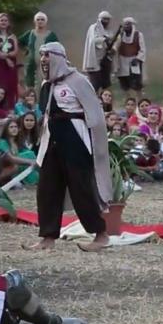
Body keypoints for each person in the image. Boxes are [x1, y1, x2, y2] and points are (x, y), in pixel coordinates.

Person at [27, 42, 113, 252]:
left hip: (74, 139)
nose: (44, 61)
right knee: (47, 188)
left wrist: (96, 146)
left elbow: (95, 115)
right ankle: (47, 236)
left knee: (81, 187)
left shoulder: (79, 81)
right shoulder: (47, 85)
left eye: (47, 56)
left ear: (57, 56)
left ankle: (100, 234)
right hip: (52, 139)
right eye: (41, 56)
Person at [18, 11, 59, 89]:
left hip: (46, 65)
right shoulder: (30, 34)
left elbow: (58, 48)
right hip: (31, 65)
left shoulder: (51, 35)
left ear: (46, 22)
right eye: (38, 19)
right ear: (35, 21)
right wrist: (25, 51)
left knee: (44, 85)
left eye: (42, 19)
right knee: (30, 86)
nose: (40, 21)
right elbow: (19, 42)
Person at [0, 13, 19, 110]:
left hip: (10, 66)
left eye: (5, 20)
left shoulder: (12, 36)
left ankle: (9, 108)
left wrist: (8, 56)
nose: (3, 22)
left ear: (9, 23)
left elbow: (15, 51)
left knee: (10, 86)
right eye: (1, 20)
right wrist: (6, 59)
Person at [0, 118, 38, 187]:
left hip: (19, 169)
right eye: (11, 127)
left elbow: (30, 154)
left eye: (16, 127)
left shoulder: (19, 143)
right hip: (8, 171)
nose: (14, 129)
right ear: (6, 129)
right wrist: (31, 161)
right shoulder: (2, 142)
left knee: (30, 153)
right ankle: (33, 182)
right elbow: (11, 158)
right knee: (28, 155)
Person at [113, 17, 146, 99]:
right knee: (124, 84)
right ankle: (128, 102)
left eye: (128, 24)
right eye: (125, 24)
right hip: (122, 62)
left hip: (134, 62)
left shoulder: (138, 35)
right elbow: (115, 47)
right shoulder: (120, 35)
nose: (127, 26)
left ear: (132, 25)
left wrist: (138, 59)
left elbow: (142, 49)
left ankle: (140, 102)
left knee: (136, 84)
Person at [83, 11, 117, 92]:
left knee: (106, 85)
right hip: (94, 61)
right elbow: (93, 41)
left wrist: (112, 49)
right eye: (104, 19)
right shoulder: (93, 28)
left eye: (108, 19)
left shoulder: (108, 31)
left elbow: (112, 44)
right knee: (95, 85)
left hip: (105, 62)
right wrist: (104, 39)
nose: (106, 21)